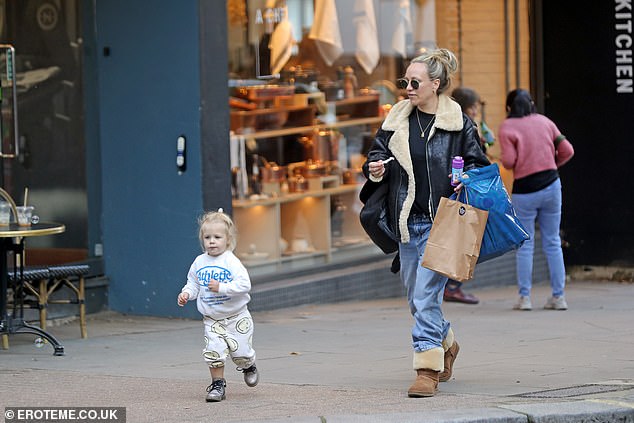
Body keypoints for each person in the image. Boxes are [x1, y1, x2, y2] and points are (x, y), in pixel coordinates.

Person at [362, 48, 489, 397]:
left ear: (436, 84)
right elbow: (376, 154)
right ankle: (447, 343)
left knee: (425, 294)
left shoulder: (457, 122)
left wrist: (469, 177)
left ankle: (427, 369)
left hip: (442, 222)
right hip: (406, 222)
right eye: (405, 81)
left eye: (414, 81)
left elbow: (478, 161)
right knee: (416, 298)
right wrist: (373, 168)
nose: (407, 87)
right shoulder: (396, 119)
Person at [497, 89, 574, 311]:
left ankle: (525, 298)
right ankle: (559, 297)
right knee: (552, 242)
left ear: (509, 108)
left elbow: (509, 162)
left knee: (525, 245)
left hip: (525, 191)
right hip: (552, 185)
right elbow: (567, 150)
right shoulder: (545, 122)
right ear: (531, 104)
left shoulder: (507, 127)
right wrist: (550, 165)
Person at [177, 210, 259, 402]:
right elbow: (194, 283)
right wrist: (187, 294)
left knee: (241, 354)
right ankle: (217, 385)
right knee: (213, 352)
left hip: (237, 317)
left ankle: (249, 365)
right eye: (207, 237)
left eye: (217, 237)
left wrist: (221, 287)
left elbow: (245, 285)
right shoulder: (199, 262)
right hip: (212, 319)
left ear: (227, 239)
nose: (212, 241)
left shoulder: (231, 261)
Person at [442, 86, 493, 305]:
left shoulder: (451, 122)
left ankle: (449, 285)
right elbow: (478, 156)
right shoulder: (465, 126)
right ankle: (452, 286)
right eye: (473, 107)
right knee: (466, 239)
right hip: (464, 188)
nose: (475, 111)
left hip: (455, 186)